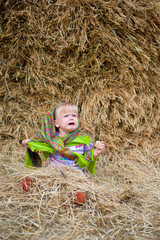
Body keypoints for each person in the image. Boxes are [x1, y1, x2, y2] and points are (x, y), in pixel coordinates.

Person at [22, 102, 105, 175]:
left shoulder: (83, 139)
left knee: (78, 190)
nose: (71, 118)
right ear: (57, 123)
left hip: (75, 174)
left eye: (74, 115)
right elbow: (40, 148)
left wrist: (96, 152)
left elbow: (88, 156)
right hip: (54, 172)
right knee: (41, 181)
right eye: (66, 116)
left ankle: (79, 193)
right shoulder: (52, 139)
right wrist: (31, 144)